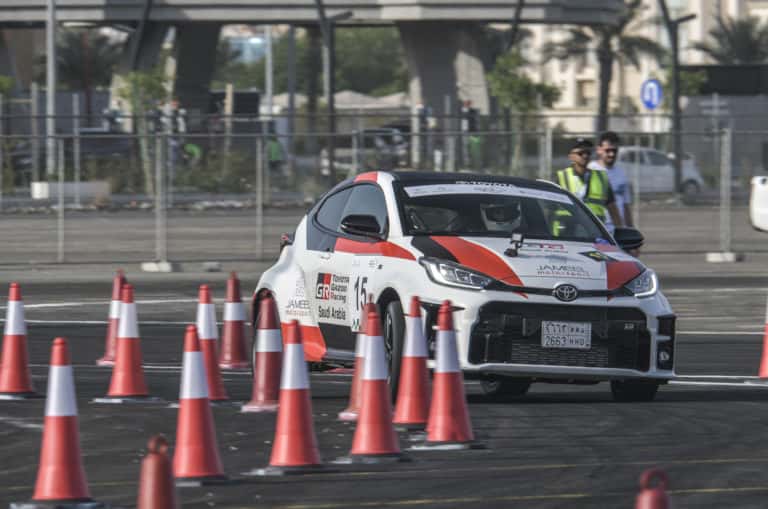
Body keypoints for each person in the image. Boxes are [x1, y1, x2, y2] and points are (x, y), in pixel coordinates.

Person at [555, 138, 622, 231]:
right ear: (571, 156)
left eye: (588, 153)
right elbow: (550, 208)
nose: (585, 156)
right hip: (567, 234)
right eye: (580, 153)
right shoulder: (561, 177)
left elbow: (613, 210)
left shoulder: (602, 178)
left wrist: (621, 232)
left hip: (595, 234)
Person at [589, 131, 633, 232]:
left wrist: (630, 231)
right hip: (598, 229)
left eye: (615, 151)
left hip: (618, 229)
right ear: (599, 150)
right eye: (608, 150)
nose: (611, 154)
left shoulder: (621, 173)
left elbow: (626, 206)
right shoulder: (590, 170)